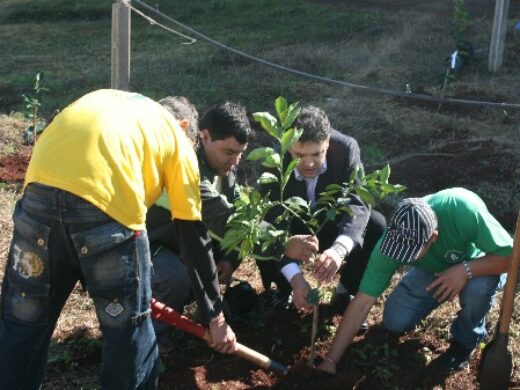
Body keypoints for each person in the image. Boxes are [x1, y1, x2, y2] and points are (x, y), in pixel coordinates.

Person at [0, 89, 236, 389]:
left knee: (23, 322)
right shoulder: (178, 140)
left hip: (37, 199)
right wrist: (215, 318)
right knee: (129, 335)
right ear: (185, 127)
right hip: (107, 214)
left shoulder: (107, 100)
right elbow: (192, 234)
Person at [317, 188, 512, 374]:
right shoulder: (392, 240)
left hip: (483, 263)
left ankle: (464, 343)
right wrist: (331, 360)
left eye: (410, 251)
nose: (403, 257)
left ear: (432, 238)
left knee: (477, 290)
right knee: (394, 321)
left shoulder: (463, 209)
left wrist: (465, 271)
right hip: (434, 270)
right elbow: (362, 302)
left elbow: (510, 257)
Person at [258, 105, 387, 312]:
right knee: (263, 231)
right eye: (299, 155)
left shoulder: (346, 150)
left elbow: (357, 202)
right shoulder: (274, 160)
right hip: (293, 228)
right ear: (289, 146)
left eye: (316, 154)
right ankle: (284, 288)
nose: (308, 163)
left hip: (331, 223)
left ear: (327, 141)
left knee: (376, 224)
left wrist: (338, 250)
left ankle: (345, 291)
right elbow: (271, 220)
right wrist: (296, 278)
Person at [146, 101, 252, 325]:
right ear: (204, 136)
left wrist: (228, 259)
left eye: (240, 153)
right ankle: (152, 335)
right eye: (229, 152)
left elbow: (238, 210)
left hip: (183, 244)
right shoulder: (185, 167)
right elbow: (225, 218)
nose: (235, 161)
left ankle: (193, 315)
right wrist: (282, 244)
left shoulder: (224, 169)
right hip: (153, 247)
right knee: (175, 278)